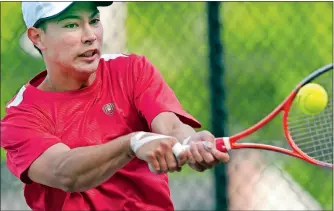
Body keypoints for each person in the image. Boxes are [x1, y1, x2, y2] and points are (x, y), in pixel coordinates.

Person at [1, 2, 230, 210]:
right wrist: (132, 144)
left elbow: (171, 127)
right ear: (37, 37)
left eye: (94, 21)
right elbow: (65, 172)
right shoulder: (21, 117)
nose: (90, 35)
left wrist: (190, 143)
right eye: (72, 25)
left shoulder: (132, 70)